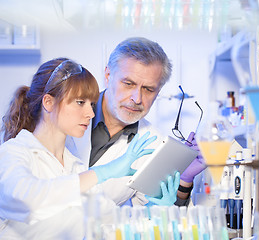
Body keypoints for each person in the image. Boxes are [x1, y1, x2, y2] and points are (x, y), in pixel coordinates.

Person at [0, 58, 157, 239]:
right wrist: (100, 173)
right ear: (48, 102)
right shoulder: (13, 153)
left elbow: (110, 225)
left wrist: (153, 212)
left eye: (91, 104)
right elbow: (27, 202)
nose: (90, 113)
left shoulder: (75, 167)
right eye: (80, 102)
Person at [67, 37, 206, 207]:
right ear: (108, 75)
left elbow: (152, 220)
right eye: (128, 83)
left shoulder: (154, 145)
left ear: (158, 91)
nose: (137, 98)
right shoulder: (65, 112)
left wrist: (183, 180)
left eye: (148, 89)